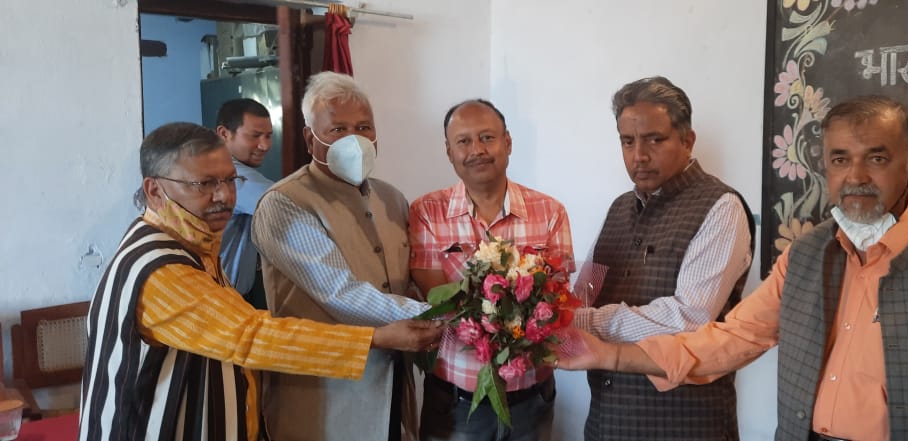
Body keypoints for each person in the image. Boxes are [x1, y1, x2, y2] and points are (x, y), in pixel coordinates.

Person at [560, 95, 908, 441]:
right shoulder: (806, 256)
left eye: (876, 158)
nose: (856, 177)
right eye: (840, 160)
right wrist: (609, 356)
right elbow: (730, 338)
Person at [79, 122, 443, 441]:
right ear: (155, 191)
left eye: (229, 180)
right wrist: (377, 338)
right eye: (204, 184)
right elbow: (250, 336)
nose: (224, 196)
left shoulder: (192, 242)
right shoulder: (161, 268)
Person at [251, 72, 433, 441]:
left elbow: (407, 281)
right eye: (338, 129)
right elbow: (341, 293)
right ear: (310, 139)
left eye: (364, 127)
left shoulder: (392, 199)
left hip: (391, 387)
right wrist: (445, 317)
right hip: (324, 398)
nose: (355, 139)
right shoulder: (284, 203)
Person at [574, 76, 755, 441]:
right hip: (607, 420)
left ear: (687, 140)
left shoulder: (721, 207)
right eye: (628, 141)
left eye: (654, 139)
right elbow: (585, 293)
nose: (639, 155)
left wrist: (590, 321)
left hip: (684, 424)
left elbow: (690, 317)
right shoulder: (620, 208)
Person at [409, 99, 574, 441]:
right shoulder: (427, 211)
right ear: (449, 152)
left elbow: (556, 298)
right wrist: (511, 313)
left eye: (487, 137)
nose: (477, 150)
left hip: (532, 396)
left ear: (507, 142)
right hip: (455, 401)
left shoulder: (550, 212)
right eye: (464, 141)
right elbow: (436, 298)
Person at [216, 98, 275, 309]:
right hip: (220, 303)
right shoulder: (230, 175)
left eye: (269, 136)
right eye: (255, 136)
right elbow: (287, 204)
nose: (265, 145)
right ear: (224, 134)